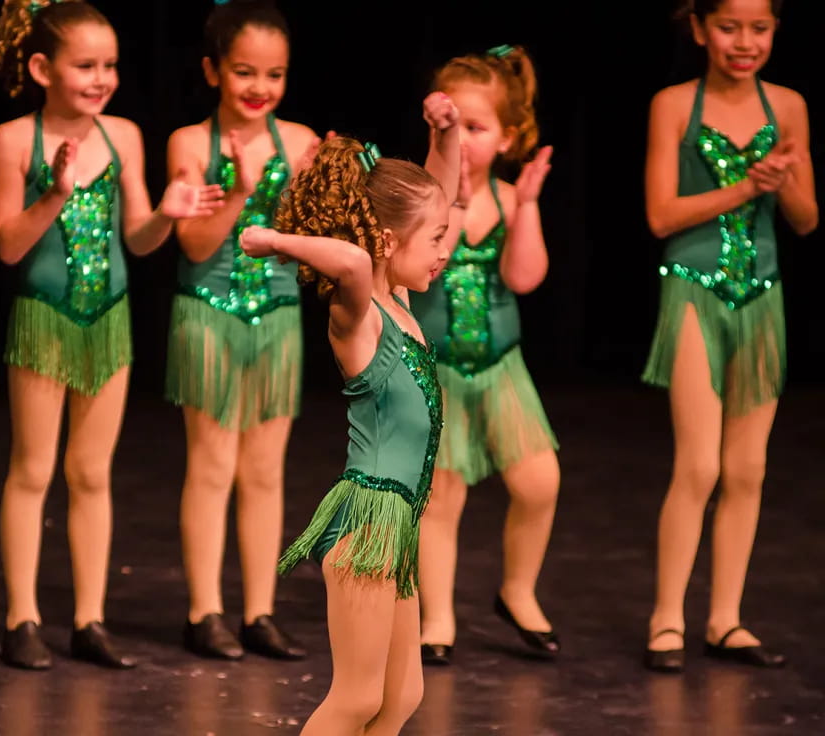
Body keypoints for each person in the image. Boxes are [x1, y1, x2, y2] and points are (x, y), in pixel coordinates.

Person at [0, 0, 220, 669]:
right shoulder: (13, 140)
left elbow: (138, 239)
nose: (102, 78)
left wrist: (169, 215)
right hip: (44, 320)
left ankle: (90, 619)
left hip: (109, 320)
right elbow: (7, 247)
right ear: (41, 68)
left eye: (110, 65)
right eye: (85, 65)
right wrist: (53, 194)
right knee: (33, 469)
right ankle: (21, 617)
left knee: (91, 472)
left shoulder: (123, 136)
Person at [255, 93, 459, 736]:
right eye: (435, 240)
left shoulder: (398, 300)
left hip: (396, 528)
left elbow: (441, 195)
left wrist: (447, 134)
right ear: (389, 240)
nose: (444, 251)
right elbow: (347, 258)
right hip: (369, 521)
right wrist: (271, 238)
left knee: (401, 698)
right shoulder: (362, 316)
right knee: (357, 698)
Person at [641, 0, 817, 672]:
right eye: (729, 27)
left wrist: (782, 180)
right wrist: (748, 186)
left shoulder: (789, 107)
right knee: (701, 464)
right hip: (694, 289)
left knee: (748, 468)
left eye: (760, 28)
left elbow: (804, 219)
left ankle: (725, 618)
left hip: (761, 298)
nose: (745, 42)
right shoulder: (673, 105)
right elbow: (661, 214)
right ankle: (666, 618)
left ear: (776, 31)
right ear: (698, 28)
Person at [164, 0, 322, 660]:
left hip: (278, 318)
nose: (260, 88)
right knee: (213, 466)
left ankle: (260, 610)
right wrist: (239, 191)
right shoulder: (190, 144)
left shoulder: (302, 142)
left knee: (264, 471)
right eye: (244, 72)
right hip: (209, 313)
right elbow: (195, 246)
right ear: (212, 71)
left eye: (274, 74)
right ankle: (205, 611)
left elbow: (313, 238)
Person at [409, 44, 561, 666]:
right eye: (455, 126)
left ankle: (517, 589)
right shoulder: (426, 198)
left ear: (509, 137)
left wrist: (525, 208)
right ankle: (437, 613)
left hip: (500, 367)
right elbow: (421, 266)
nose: (466, 141)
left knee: (539, 482)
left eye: (478, 128)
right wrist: (445, 167)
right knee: (441, 497)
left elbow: (525, 279)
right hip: (437, 369)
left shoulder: (506, 198)